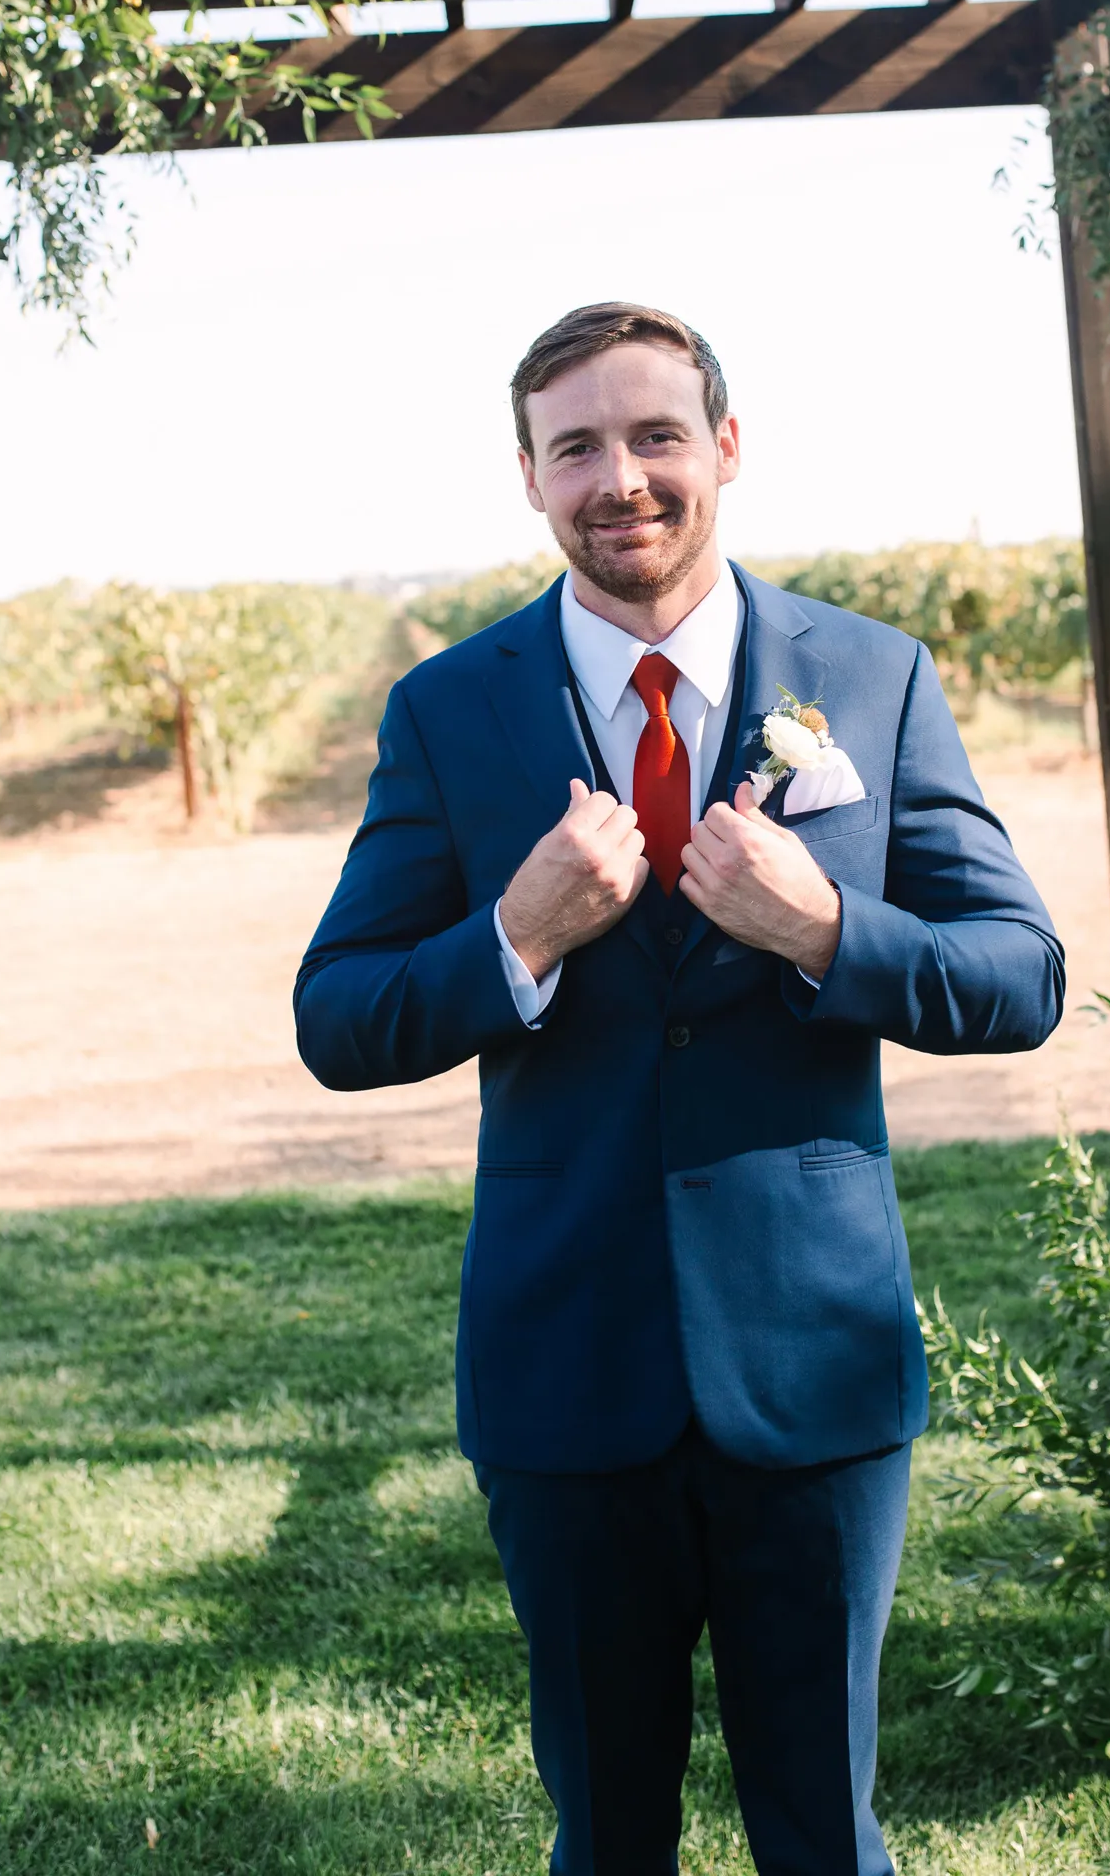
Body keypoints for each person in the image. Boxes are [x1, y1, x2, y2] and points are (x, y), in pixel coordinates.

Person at [295, 302, 1063, 1874]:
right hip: (565, 1363)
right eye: (575, 446)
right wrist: (514, 937)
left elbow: (1020, 975)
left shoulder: (874, 676)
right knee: (607, 1837)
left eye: (655, 435)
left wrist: (826, 930)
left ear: (726, 446)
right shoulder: (450, 709)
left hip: (816, 1364)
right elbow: (339, 1016)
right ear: (528, 476)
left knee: (826, 1834)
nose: (620, 478)